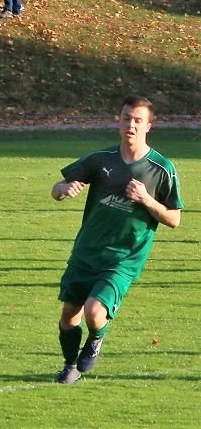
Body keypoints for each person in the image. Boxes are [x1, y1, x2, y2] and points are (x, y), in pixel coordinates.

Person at [51, 95, 182, 385]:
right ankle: (70, 366)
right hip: (87, 251)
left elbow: (174, 219)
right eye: (126, 119)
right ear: (118, 121)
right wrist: (64, 189)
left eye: (138, 120)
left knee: (94, 312)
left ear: (148, 126)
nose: (131, 125)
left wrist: (146, 199)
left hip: (123, 258)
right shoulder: (100, 159)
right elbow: (56, 188)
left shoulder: (161, 168)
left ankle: (96, 339)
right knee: (69, 316)